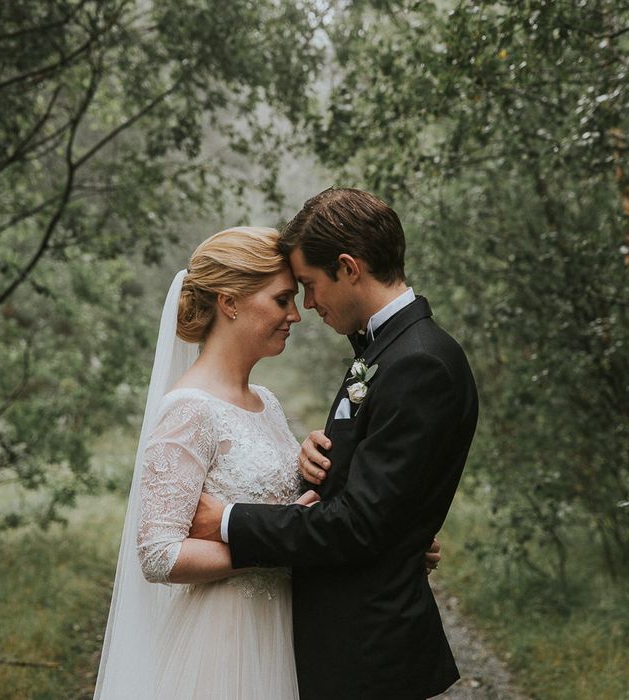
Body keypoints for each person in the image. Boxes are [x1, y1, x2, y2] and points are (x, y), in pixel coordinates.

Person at [93, 224, 440, 699]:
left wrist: (390, 537)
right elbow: (159, 554)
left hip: (285, 633)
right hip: (223, 644)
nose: (296, 315)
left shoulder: (267, 402)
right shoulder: (189, 409)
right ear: (230, 302)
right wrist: (264, 546)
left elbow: (304, 515)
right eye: (281, 300)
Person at [190, 188, 479, 700]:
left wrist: (230, 520)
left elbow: (360, 525)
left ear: (348, 267)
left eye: (308, 284)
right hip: (349, 641)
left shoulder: (418, 362)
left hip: (367, 653)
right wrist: (314, 462)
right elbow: (378, 495)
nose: (307, 305)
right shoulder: (388, 348)